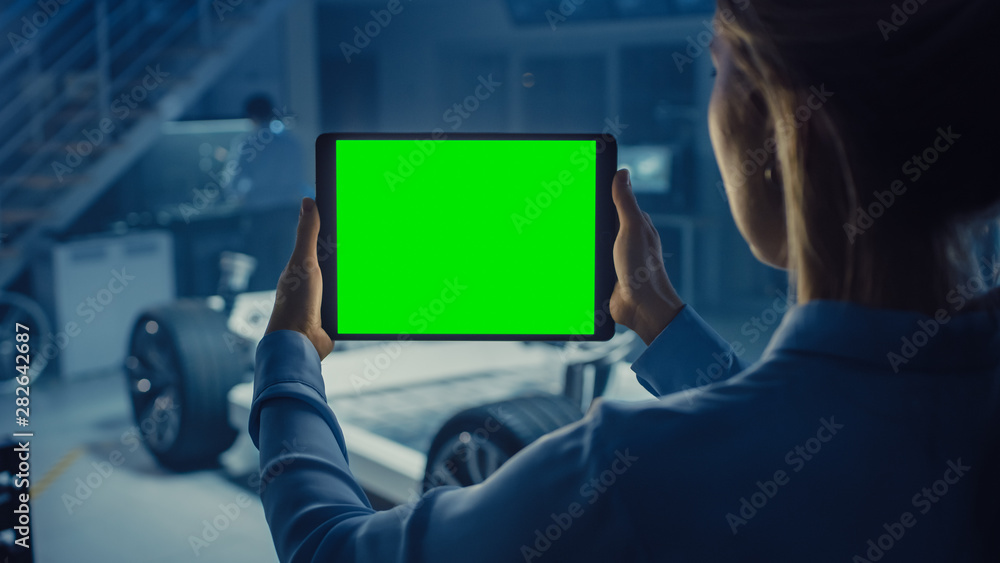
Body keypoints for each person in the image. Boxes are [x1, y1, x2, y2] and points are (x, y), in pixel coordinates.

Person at [250, 1, 1000, 561]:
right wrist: (665, 323)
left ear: (789, 124)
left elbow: (329, 550)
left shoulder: (624, 470)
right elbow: (812, 448)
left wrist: (288, 357)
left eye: (717, 71)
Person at [225, 94, 310, 291]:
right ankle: (290, 310)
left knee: (260, 266)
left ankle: (266, 314)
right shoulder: (291, 142)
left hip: (260, 214)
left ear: (250, 116)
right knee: (288, 262)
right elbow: (301, 177)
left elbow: (233, 180)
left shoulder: (247, 142)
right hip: (288, 210)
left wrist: (236, 196)